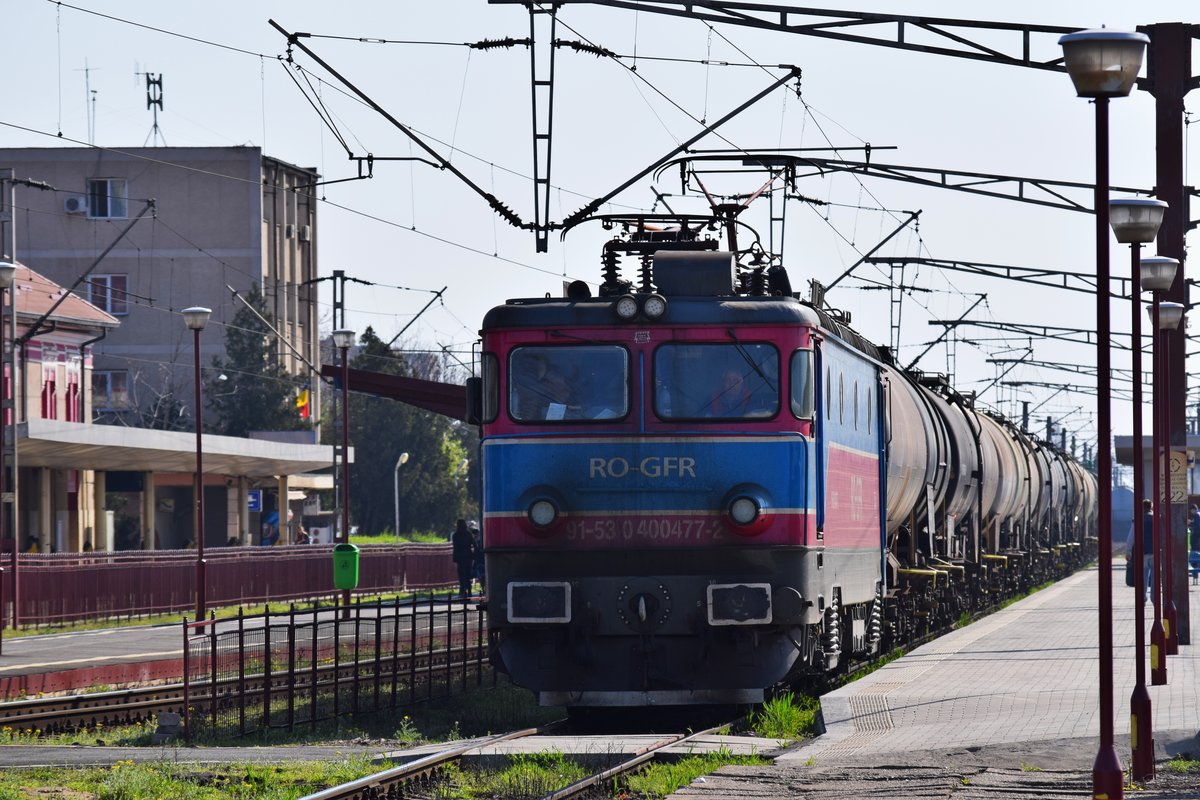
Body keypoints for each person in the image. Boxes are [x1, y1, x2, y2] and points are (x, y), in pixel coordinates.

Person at [1124, 498, 1153, 600]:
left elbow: (1131, 537)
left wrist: (1128, 551)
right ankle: (1154, 598)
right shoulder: (1156, 518)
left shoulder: (1137, 519)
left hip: (1142, 552)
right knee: (1155, 578)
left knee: (1143, 577)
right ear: (1151, 507)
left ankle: (1143, 597)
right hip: (1155, 553)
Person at [451, 518, 475, 597]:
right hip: (468, 556)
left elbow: (456, 548)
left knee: (461, 575)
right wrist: (473, 556)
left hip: (460, 557)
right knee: (468, 575)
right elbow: (474, 545)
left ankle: (462, 591)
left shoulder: (455, 535)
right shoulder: (468, 534)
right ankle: (470, 591)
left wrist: (455, 560)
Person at [468, 520, 485, 593]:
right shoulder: (477, 541)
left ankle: (483, 587)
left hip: (481, 560)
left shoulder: (480, 541)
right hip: (479, 560)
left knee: (481, 574)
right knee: (480, 575)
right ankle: (483, 587)